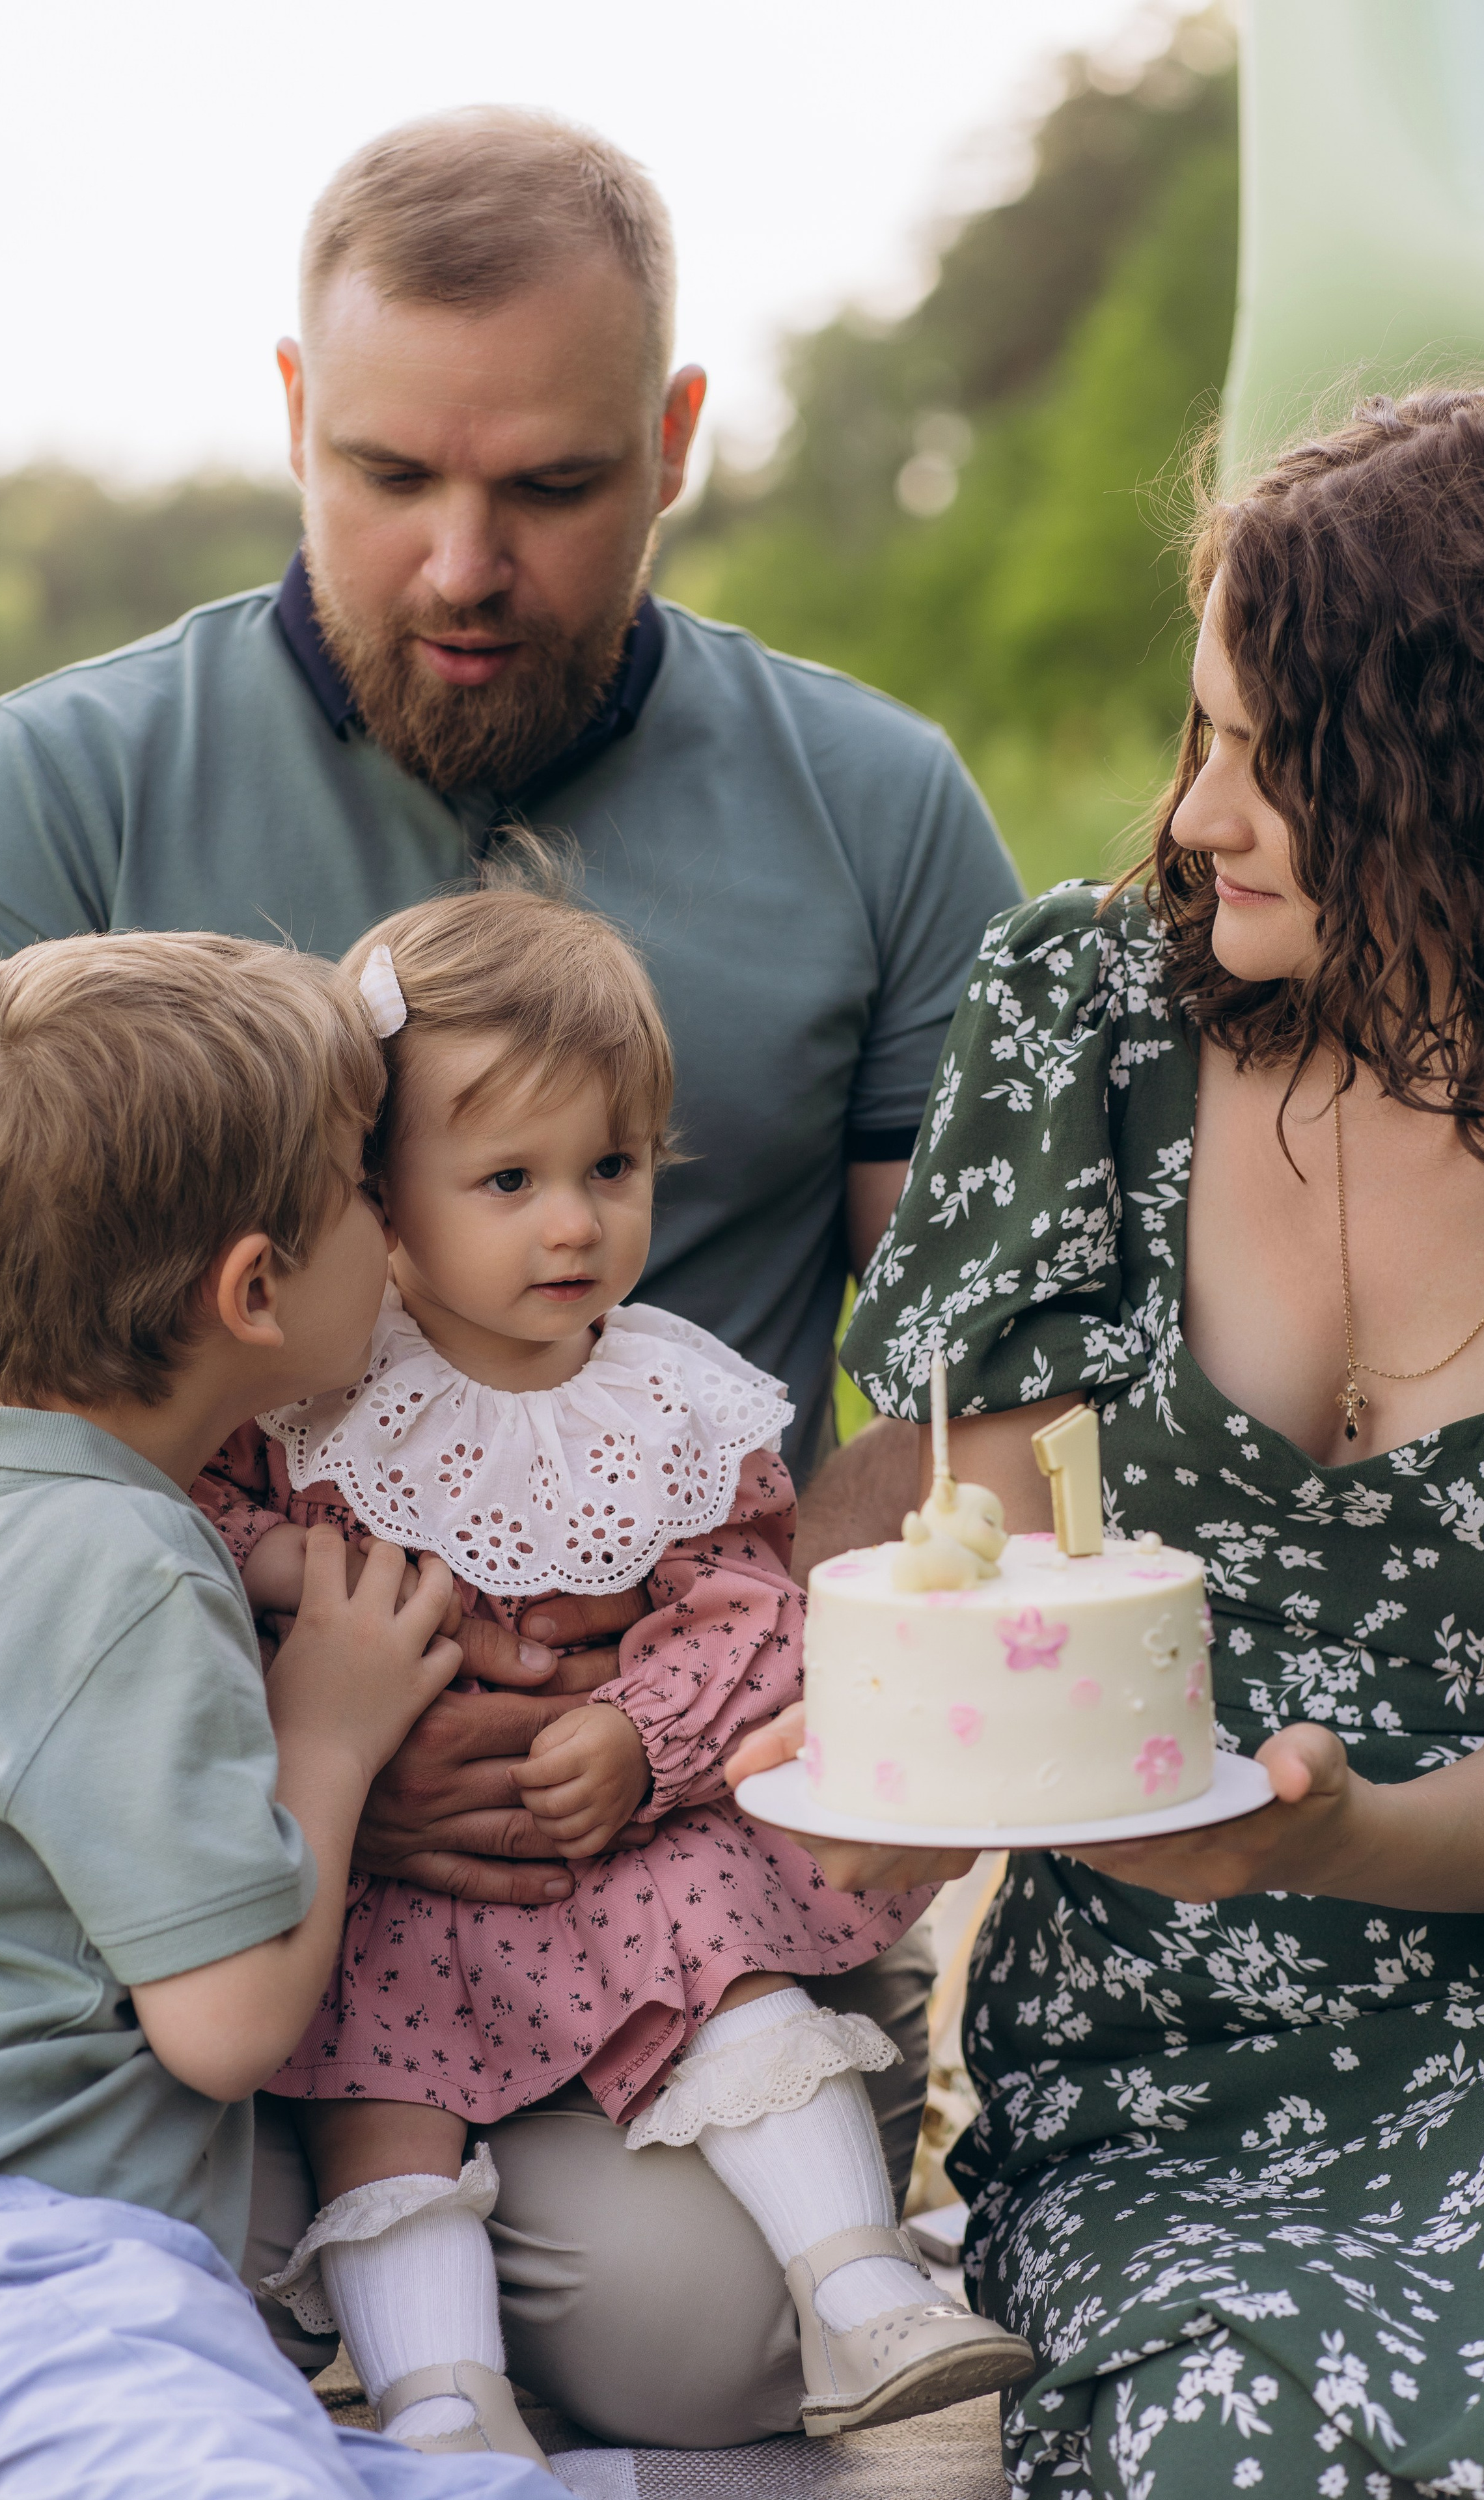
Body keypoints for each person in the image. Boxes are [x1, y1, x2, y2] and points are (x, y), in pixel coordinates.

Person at [0, 120, 1017, 2426]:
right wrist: (311, 1749)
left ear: (678, 446)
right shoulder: (62, 786)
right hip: (167, 1841)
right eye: (387, 472)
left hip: (648, 1818)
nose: (460, 563)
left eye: (556, 489)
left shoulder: (876, 808)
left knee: (696, 2347)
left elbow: (987, 1424)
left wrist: (695, 1694)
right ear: (295, 413)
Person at [740, 387, 1484, 2494]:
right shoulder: (1093, 1018)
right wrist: (897, 1787)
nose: (1197, 815)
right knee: (1238, 2437)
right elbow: (980, 1567)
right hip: (1172, 2072)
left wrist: (1340, 1833)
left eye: (1279, 760)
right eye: (1201, 734)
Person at [191, 870, 1033, 2458]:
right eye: (507, 1178)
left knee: (731, 1962)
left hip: (625, 1840)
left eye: (613, 1167)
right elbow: (186, 1520)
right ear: (375, 1200)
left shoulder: (666, 1398)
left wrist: (643, 1742)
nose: (576, 1220)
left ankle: (857, 2285)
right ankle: (443, 2401)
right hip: (398, 1883)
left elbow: (742, 1604)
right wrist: (289, 1561)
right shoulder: (313, 1394)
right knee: (384, 2095)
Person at [0, 930, 561, 2499]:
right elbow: (224, 2025)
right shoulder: (128, 1576)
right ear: (253, 1288)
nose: (392, 1221)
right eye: (361, 1191)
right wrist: (333, 1730)